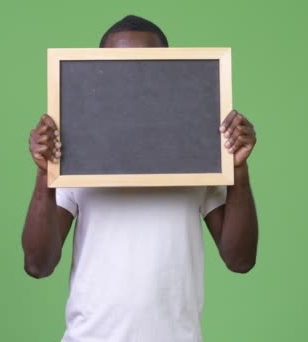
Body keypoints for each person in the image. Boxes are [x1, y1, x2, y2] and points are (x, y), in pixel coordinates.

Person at [22, 15, 259, 342]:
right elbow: (38, 263)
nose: (132, 77)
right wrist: (43, 172)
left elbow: (240, 259)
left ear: (168, 75)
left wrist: (239, 169)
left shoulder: (197, 150)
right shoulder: (76, 150)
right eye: (119, 68)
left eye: (147, 65)